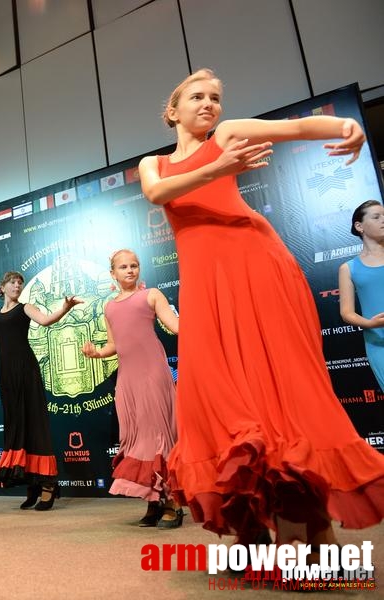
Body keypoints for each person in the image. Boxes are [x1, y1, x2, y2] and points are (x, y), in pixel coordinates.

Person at [138, 68, 384, 552]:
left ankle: (311, 539)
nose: (208, 104)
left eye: (215, 97)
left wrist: (345, 128)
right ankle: (251, 530)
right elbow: (157, 193)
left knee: (279, 389)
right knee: (214, 396)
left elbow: (292, 129)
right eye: (196, 96)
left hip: (256, 266)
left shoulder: (227, 135)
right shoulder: (156, 163)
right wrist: (219, 167)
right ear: (172, 111)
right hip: (206, 287)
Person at [82, 249, 182, 528]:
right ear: (112, 274)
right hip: (127, 380)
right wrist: (97, 353)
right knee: (136, 438)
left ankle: (173, 502)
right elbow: (114, 344)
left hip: (153, 374)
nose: (130, 270)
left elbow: (175, 326)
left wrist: (205, 319)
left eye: (134, 265)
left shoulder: (151, 295)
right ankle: (153, 500)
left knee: (160, 436)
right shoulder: (109, 307)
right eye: (123, 267)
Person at [0, 271, 81, 511]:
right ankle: (32, 486)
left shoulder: (25, 308)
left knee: (34, 426)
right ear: (2, 287)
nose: (17, 285)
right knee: (16, 427)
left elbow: (47, 320)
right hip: (8, 378)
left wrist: (66, 308)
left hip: (27, 372)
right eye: (13, 282)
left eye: (20, 283)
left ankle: (48, 487)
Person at [338, 200, 384, 390]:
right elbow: (347, 313)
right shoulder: (348, 268)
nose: (383, 220)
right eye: (376, 217)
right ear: (359, 226)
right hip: (379, 344)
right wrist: (371, 324)